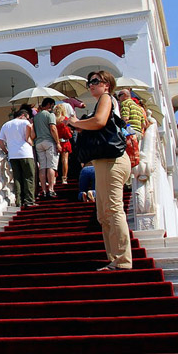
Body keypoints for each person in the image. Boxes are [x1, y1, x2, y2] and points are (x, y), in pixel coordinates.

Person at [67, 70, 131, 270]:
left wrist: (76, 122)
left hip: (113, 160)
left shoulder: (106, 97)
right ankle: (115, 258)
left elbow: (100, 121)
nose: (91, 85)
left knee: (112, 209)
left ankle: (122, 261)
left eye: (96, 81)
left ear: (107, 84)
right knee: (103, 214)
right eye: (90, 82)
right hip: (104, 162)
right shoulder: (102, 101)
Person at [0, 107, 36, 208]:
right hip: (25, 153)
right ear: (23, 115)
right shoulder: (26, 123)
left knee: (17, 178)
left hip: (13, 155)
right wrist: (29, 135)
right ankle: (29, 200)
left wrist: (6, 151)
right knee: (29, 176)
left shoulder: (6, 125)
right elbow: (30, 136)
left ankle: (19, 200)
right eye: (27, 117)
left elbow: (0, 141)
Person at [32, 98, 60, 198]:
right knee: (51, 166)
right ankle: (51, 189)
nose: (53, 107)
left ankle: (43, 190)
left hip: (38, 142)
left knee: (42, 167)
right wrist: (58, 143)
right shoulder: (50, 115)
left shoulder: (35, 117)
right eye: (52, 105)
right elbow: (53, 128)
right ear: (49, 105)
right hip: (49, 141)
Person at [54, 103, 74, 184]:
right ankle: (64, 178)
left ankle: (54, 177)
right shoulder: (65, 119)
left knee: (55, 161)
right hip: (65, 142)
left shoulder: (54, 120)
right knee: (64, 160)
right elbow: (68, 134)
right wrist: (71, 133)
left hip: (56, 142)